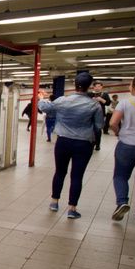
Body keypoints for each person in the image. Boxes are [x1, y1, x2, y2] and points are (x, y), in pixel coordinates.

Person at [37, 72, 104, 219]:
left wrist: (41, 98)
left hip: (63, 142)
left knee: (60, 172)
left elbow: (45, 108)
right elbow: (99, 126)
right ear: (89, 86)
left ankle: (54, 202)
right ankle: (72, 209)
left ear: (75, 84)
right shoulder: (94, 105)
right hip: (83, 144)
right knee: (77, 176)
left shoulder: (62, 100)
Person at [109, 75, 135, 222]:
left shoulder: (125, 103)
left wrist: (118, 133)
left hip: (127, 145)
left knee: (120, 176)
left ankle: (122, 202)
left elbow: (113, 122)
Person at [89, 81, 111, 150]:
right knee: (91, 130)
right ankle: (92, 144)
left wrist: (101, 99)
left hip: (100, 115)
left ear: (101, 87)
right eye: (96, 86)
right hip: (90, 114)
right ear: (93, 87)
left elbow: (108, 103)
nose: (97, 88)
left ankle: (97, 144)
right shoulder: (89, 94)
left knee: (98, 130)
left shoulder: (105, 94)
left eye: (99, 86)